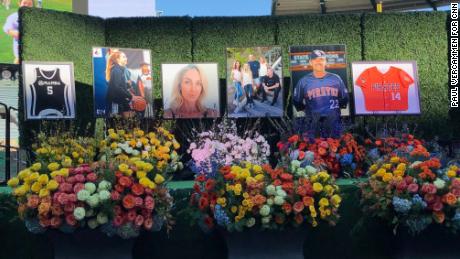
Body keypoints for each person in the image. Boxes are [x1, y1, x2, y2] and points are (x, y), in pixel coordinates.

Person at [293, 50, 349, 138]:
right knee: (314, 147)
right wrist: (307, 110)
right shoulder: (303, 81)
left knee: (335, 146)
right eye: (315, 60)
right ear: (310, 62)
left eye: (321, 59)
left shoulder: (336, 79)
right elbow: (297, 101)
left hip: (333, 119)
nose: (318, 62)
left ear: (325, 61)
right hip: (313, 120)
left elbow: (344, 99)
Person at [3, 0, 34, 64]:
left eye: (30, 4)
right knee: (19, 60)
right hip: (20, 46)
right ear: (19, 4)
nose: (27, 6)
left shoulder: (36, 17)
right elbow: (7, 28)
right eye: (24, 3)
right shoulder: (14, 16)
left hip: (34, 46)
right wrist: (17, 33)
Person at [105, 50, 134, 118]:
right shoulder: (117, 70)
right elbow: (116, 88)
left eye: (126, 56)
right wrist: (130, 96)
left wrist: (127, 85)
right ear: (118, 60)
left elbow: (117, 85)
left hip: (118, 101)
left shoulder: (119, 70)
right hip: (116, 102)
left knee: (129, 118)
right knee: (119, 121)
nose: (126, 58)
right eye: (123, 57)